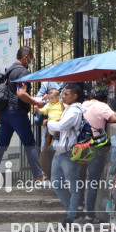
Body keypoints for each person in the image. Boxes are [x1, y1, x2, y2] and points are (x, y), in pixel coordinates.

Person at [0, 46, 46, 183]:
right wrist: (36, 102)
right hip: (17, 112)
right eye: (31, 58)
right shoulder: (22, 71)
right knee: (29, 143)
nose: (31, 61)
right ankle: (38, 175)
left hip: (4, 113)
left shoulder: (8, 71)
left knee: (2, 144)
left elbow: (0, 95)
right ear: (26, 57)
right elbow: (21, 93)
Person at [47, 83, 86, 224]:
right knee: (56, 184)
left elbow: (61, 126)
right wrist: (53, 125)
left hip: (69, 153)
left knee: (73, 187)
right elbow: (56, 130)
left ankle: (71, 216)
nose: (63, 96)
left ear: (74, 96)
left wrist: (49, 123)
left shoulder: (75, 111)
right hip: (59, 152)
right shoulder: (67, 109)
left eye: (66, 94)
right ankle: (73, 211)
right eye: (63, 94)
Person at [80, 88, 116, 223]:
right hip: (95, 147)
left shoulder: (83, 104)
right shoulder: (102, 106)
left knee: (80, 179)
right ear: (104, 99)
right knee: (92, 181)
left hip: (80, 147)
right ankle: (89, 214)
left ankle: (78, 209)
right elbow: (114, 118)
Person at [37, 86, 64, 180]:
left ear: (57, 98)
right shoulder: (49, 105)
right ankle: (46, 172)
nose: (50, 100)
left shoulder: (61, 104)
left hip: (59, 126)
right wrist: (37, 110)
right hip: (51, 126)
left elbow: (64, 112)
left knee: (53, 148)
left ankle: (52, 174)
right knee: (46, 148)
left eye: (52, 98)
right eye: (49, 98)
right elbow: (43, 111)